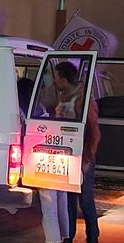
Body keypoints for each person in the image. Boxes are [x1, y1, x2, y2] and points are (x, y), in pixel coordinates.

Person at [52, 62, 101, 243]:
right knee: (69, 200)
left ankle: (93, 238)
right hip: (67, 156)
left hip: (82, 157)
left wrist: (86, 160)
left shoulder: (84, 98)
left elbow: (94, 133)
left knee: (85, 200)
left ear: (64, 80)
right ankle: (68, 236)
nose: (54, 81)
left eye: (56, 78)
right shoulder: (63, 96)